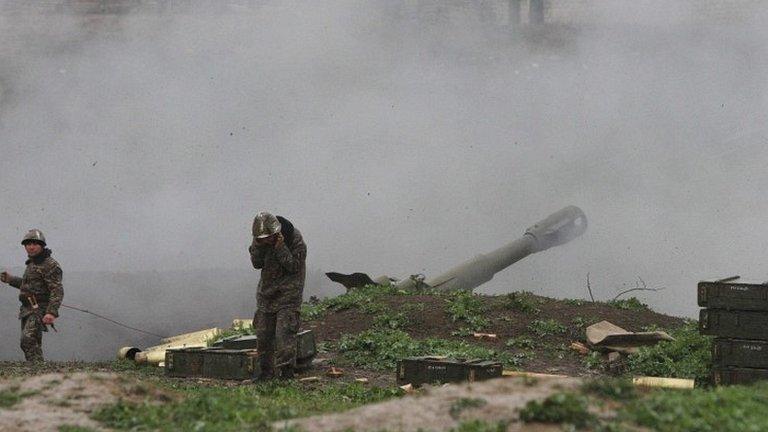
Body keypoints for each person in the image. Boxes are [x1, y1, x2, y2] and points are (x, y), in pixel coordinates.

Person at [249, 212, 306, 379]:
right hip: (267, 294)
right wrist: (259, 246)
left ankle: (285, 375)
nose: (265, 241)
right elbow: (256, 263)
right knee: (263, 337)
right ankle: (265, 374)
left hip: (288, 295)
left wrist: (281, 248)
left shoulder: (295, 240)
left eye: (268, 238)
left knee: (284, 337)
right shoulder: (260, 238)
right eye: (262, 239)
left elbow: (294, 266)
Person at [0, 229, 63, 362]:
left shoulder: (50, 265)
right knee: (32, 342)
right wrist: (10, 279)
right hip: (27, 309)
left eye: (35, 244)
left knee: (27, 340)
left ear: (42, 245)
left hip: (39, 309)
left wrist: (51, 312)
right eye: (28, 244)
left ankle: (38, 371)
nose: (31, 247)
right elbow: (29, 286)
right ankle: (37, 372)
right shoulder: (32, 263)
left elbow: (57, 290)